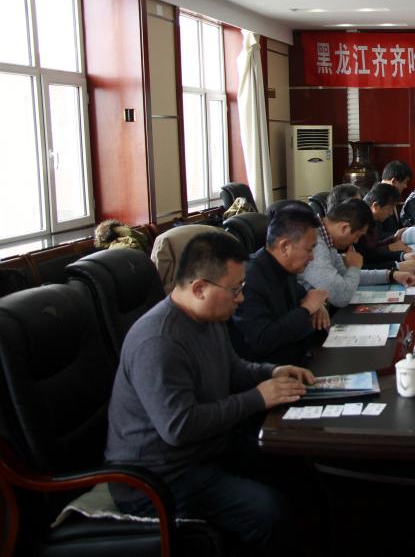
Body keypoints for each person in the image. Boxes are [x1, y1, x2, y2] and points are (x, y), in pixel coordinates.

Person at [105, 231, 314, 551]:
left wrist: (272, 371)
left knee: (299, 468)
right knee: (267, 511)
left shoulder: (209, 316)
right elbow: (179, 426)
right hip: (159, 479)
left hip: (207, 451)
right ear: (199, 288)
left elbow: (233, 368)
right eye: (235, 289)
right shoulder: (158, 341)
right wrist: (257, 398)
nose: (241, 298)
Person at [231, 207, 331, 365]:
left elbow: (304, 295)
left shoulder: (285, 267)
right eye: (309, 249)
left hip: (301, 357)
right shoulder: (249, 279)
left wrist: (317, 306)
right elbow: (262, 341)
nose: (312, 257)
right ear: (285, 247)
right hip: (271, 370)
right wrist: (306, 310)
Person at [299, 198, 415, 308]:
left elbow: (346, 275)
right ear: (345, 228)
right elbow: (341, 297)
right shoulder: (315, 244)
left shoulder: (327, 240)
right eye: (357, 235)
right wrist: (354, 267)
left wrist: (392, 275)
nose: (356, 241)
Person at [359, 182, 415, 273]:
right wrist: (397, 266)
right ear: (375, 206)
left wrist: (393, 240)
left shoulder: (374, 220)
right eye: (389, 208)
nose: (391, 213)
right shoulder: (359, 225)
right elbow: (365, 262)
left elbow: (373, 249)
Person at [379, 160, 413, 237]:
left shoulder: (392, 197)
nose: (406, 186)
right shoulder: (378, 198)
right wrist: (400, 235)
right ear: (394, 181)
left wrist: (411, 229)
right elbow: (377, 236)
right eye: (405, 182)